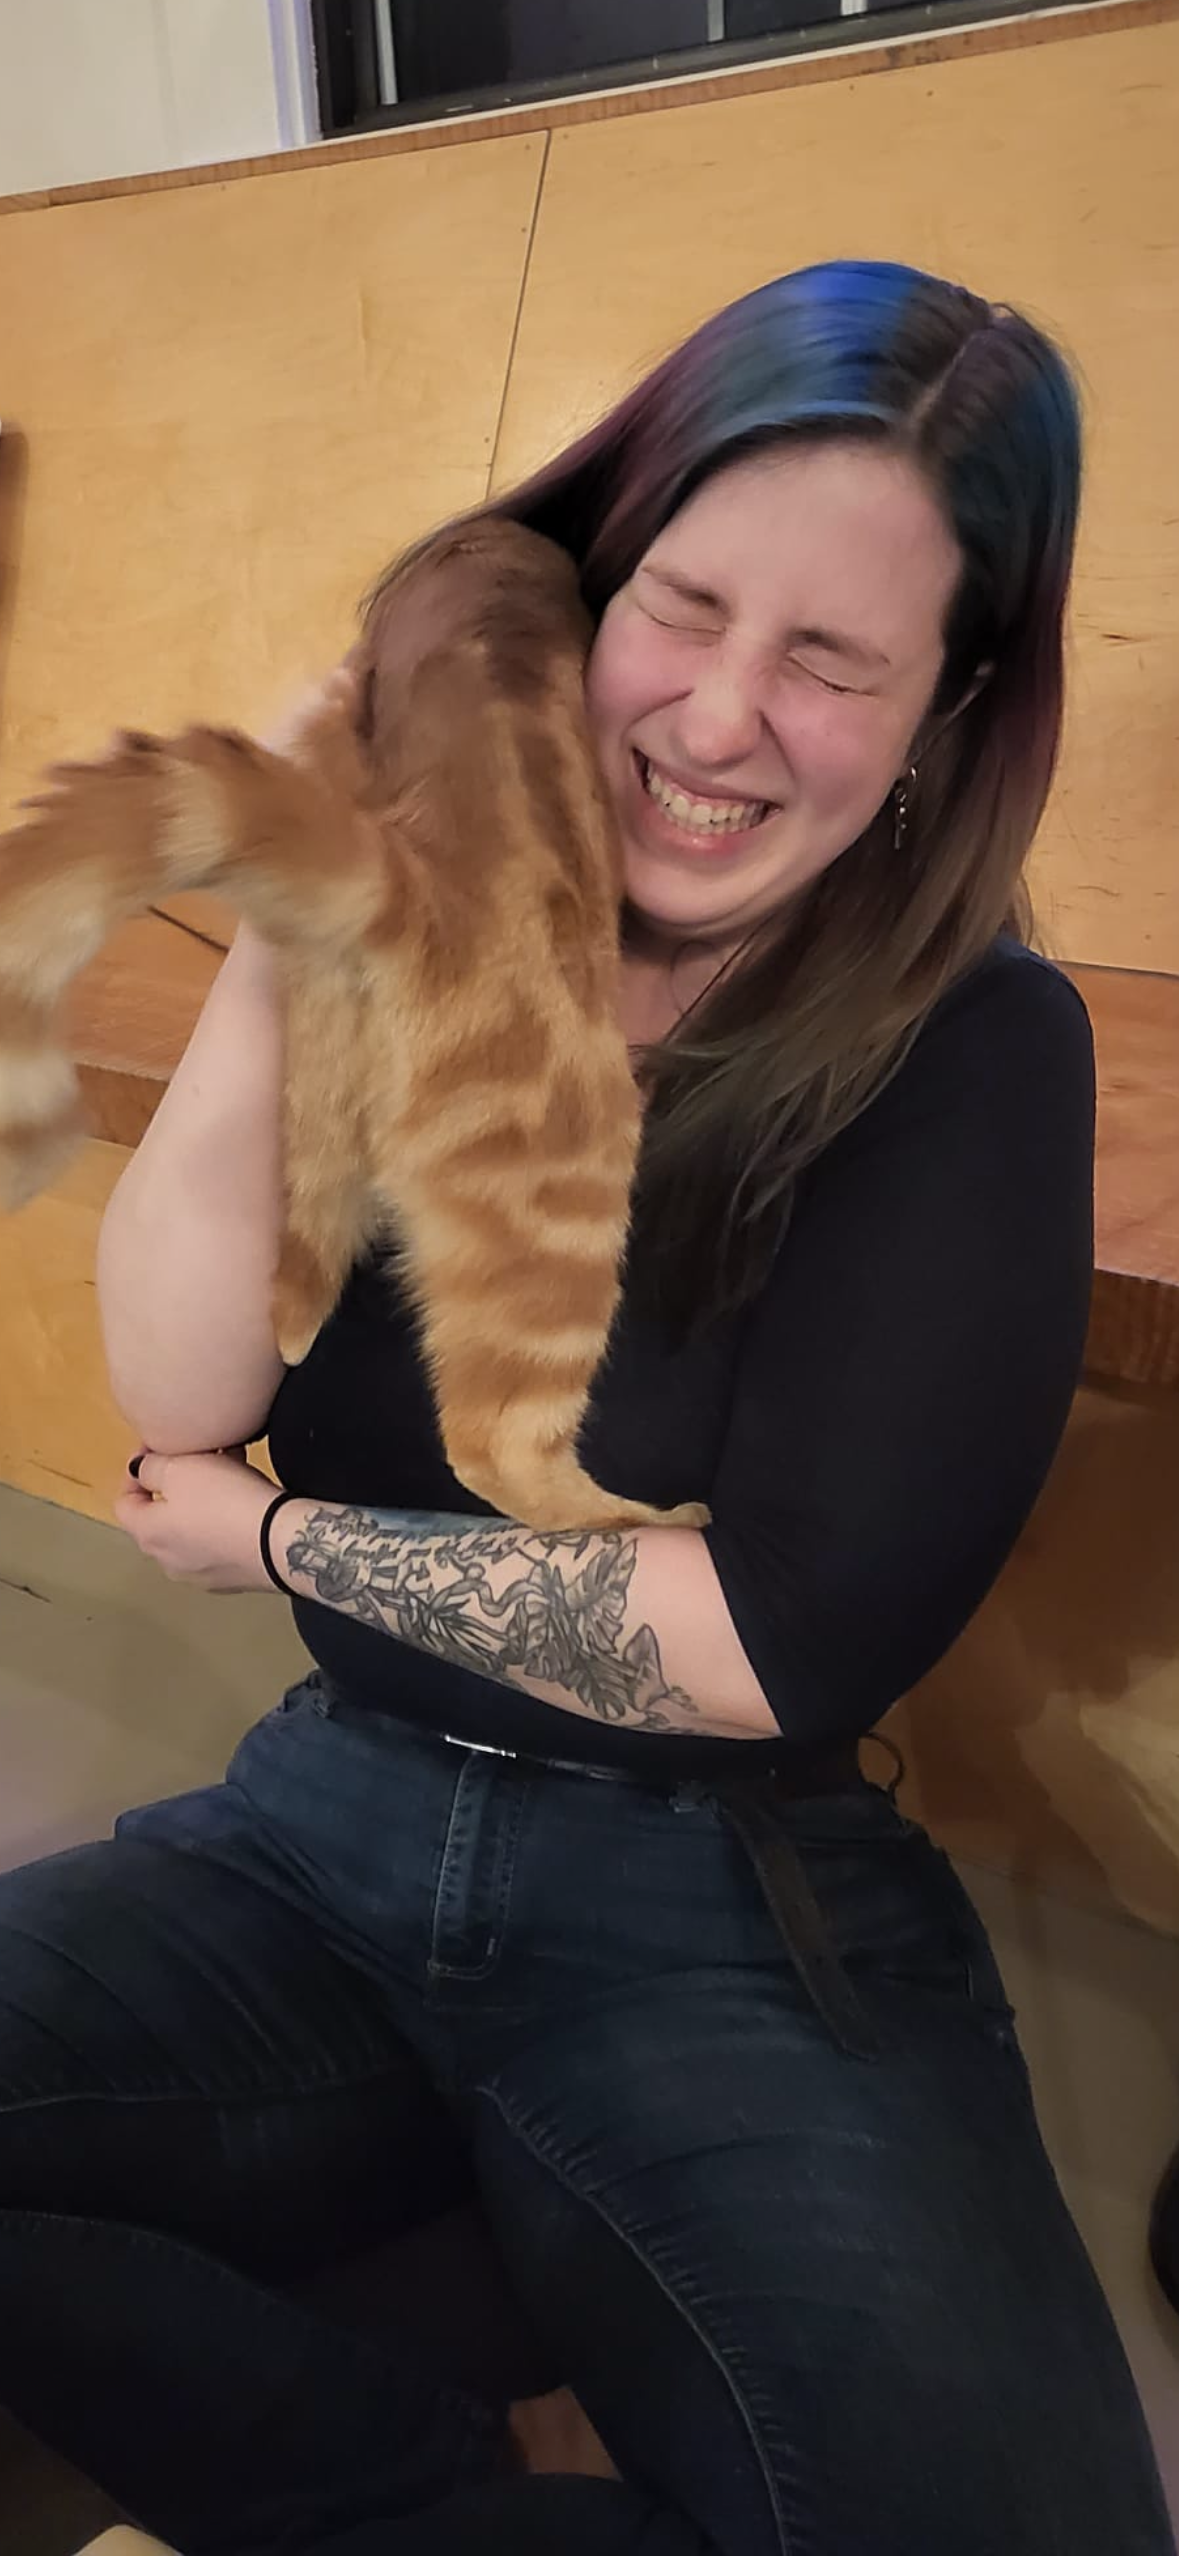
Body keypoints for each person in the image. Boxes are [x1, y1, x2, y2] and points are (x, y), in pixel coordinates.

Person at [0, 260, 1171, 2556]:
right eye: (685, 609)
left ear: (940, 712)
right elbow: (185, 1378)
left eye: (831, 663)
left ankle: (483, 2280)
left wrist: (274, 1547)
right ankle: (455, 2415)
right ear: (578, 591)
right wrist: (289, 887)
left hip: (712, 1897)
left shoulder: (969, 1048)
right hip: (320, 1829)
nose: (721, 720)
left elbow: (777, 1643)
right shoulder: (441, 921)